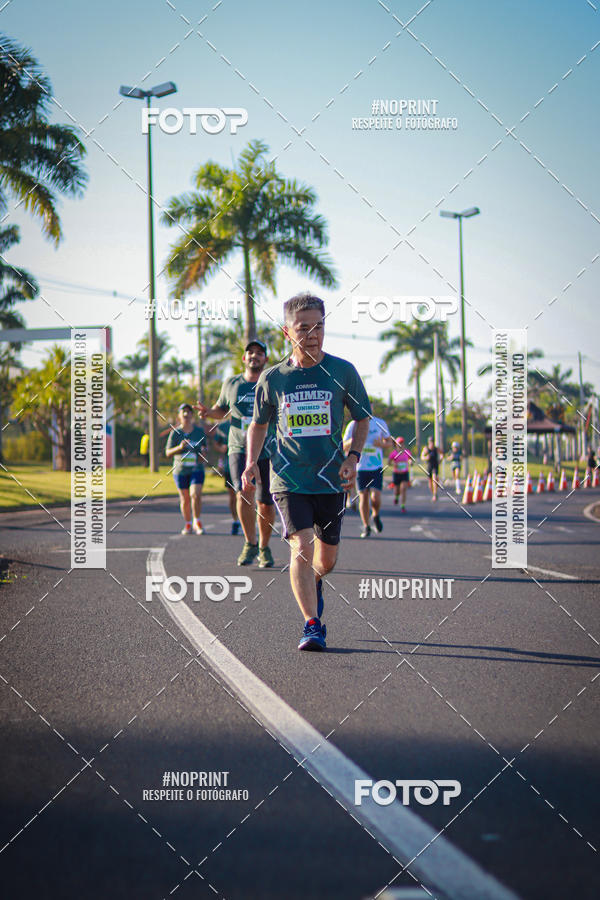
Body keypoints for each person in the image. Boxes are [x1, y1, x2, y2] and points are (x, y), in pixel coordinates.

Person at [242, 292, 370, 652]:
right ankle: (312, 624)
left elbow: (362, 418)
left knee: (326, 560)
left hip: (331, 480)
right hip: (288, 477)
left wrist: (353, 457)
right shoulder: (273, 378)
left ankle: (313, 581)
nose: (312, 335)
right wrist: (251, 462)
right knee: (301, 545)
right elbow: (258, 425)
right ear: (287, 332)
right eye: (303, 328)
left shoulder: (343, 371)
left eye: (319, 326)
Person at [195, 340, 276, 568]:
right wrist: (208, 412)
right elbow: (221, 410)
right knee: (243, 493)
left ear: (265, 359)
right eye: (250, 353)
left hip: (267, 448)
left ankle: (264, 547)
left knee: (266, 502)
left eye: (259, 353)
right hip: (238, 447)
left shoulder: (271, 382)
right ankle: (250, 543)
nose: (254, 356)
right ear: (244, 358)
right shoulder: (232, 383)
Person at [343, 414, 392, 537]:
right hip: (360, 467)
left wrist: (381, 444)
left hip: (376, 466)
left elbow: (389, 442)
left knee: (375, 498)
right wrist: (353, 440)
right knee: (363, 497)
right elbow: (343, 445)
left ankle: (375, 514)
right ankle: (366, 526)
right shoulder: (353, 424)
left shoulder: (380, 422)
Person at [165, 403, 207, 534]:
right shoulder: (175, 433)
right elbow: (168, 453)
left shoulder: (199, 432)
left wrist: (203, 453)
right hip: (180, 470)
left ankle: (197, 521)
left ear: (192, 415)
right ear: (179, 416)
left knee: (195, 494)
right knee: (185, 499)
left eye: (188, 412)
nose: (186, 414)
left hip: (196, 469)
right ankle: (188, 523)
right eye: (183, 412)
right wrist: (180, 447)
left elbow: (205, 449)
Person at [210, 420, 241, 535]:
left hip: (244, 465)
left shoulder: (247, 420)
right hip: (229, 466)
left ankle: (245, 521)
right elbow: (215, 443)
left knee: (244, 495)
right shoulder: (223, 427)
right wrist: (221, 448)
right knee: (233, 496)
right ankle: (235, 521)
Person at [389, 436, 412, 512]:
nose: (401, 444)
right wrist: (394, 464)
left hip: (404, 473)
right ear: (396, 444)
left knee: (403, 488)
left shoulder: (406, 452)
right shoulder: (394, 453)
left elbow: (410, 459)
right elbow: (389, 462)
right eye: (399, 443)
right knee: (397, 491)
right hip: (396, 473)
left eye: (402, 443)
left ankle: (403, 505)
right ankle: (396, 497)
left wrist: (410, 462)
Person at [421, 436, 443, 502]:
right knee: (430, 483)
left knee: (434, 478)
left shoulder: (436, 449)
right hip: (429, 466)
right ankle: (433, 493)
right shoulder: (426, 449)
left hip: (435, 465)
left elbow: (441, 454)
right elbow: (422, 457)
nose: (431, 443)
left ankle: (435, 494)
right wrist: (426, 457)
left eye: (432, 442)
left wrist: (440, 460)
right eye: (430, 442)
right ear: (428, 442)